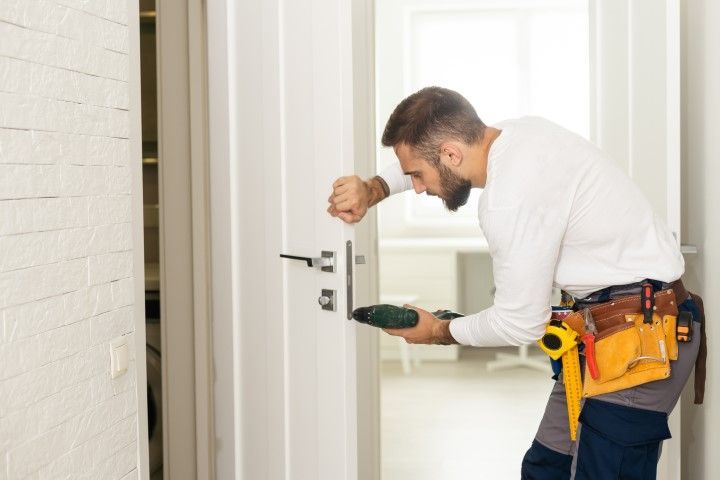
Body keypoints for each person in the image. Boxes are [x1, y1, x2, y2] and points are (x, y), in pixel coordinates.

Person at [327, 86, 705, 479]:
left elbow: (520, 321)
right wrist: (375, 188)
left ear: (452, 154)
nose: (419, 188)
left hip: (641, 341)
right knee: (546, 469)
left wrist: (438, 330)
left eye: (418, 176)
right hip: (600, 336)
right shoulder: (516, 134)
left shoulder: (508, 199)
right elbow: (422, 157)